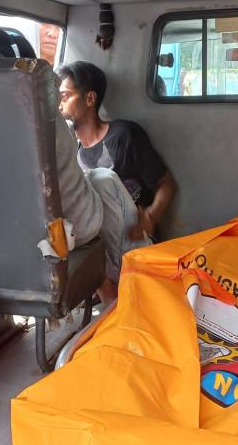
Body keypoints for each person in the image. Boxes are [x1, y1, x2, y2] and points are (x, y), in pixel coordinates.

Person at [0, 24, 148, 304]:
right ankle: (131, 281)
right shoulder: (37, 103)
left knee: (101, 179)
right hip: (58, 231)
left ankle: (127, 280)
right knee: (101, 180)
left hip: (18, 237)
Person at [57, 61, 177, 300]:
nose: (59, 105)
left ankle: (129, 282)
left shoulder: (124, 135)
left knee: (99, 180)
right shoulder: (70, 151)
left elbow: (167, 184)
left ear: (89, 98)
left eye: (65, 96)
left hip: (134, 240)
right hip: (99, 247)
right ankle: (107, 292)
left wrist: (150, 217)